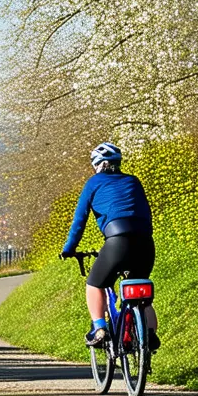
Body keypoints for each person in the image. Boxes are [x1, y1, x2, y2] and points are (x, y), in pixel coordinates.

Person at [61, 142, 160, 351]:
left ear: (97, 164)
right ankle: (149, 335)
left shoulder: (94, 183)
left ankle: (99, 329)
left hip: (117, 242)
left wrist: (69, 249)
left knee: (94, 284)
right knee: (142, 296)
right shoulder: (133, 181)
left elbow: (79, 220)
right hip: (145, 243)